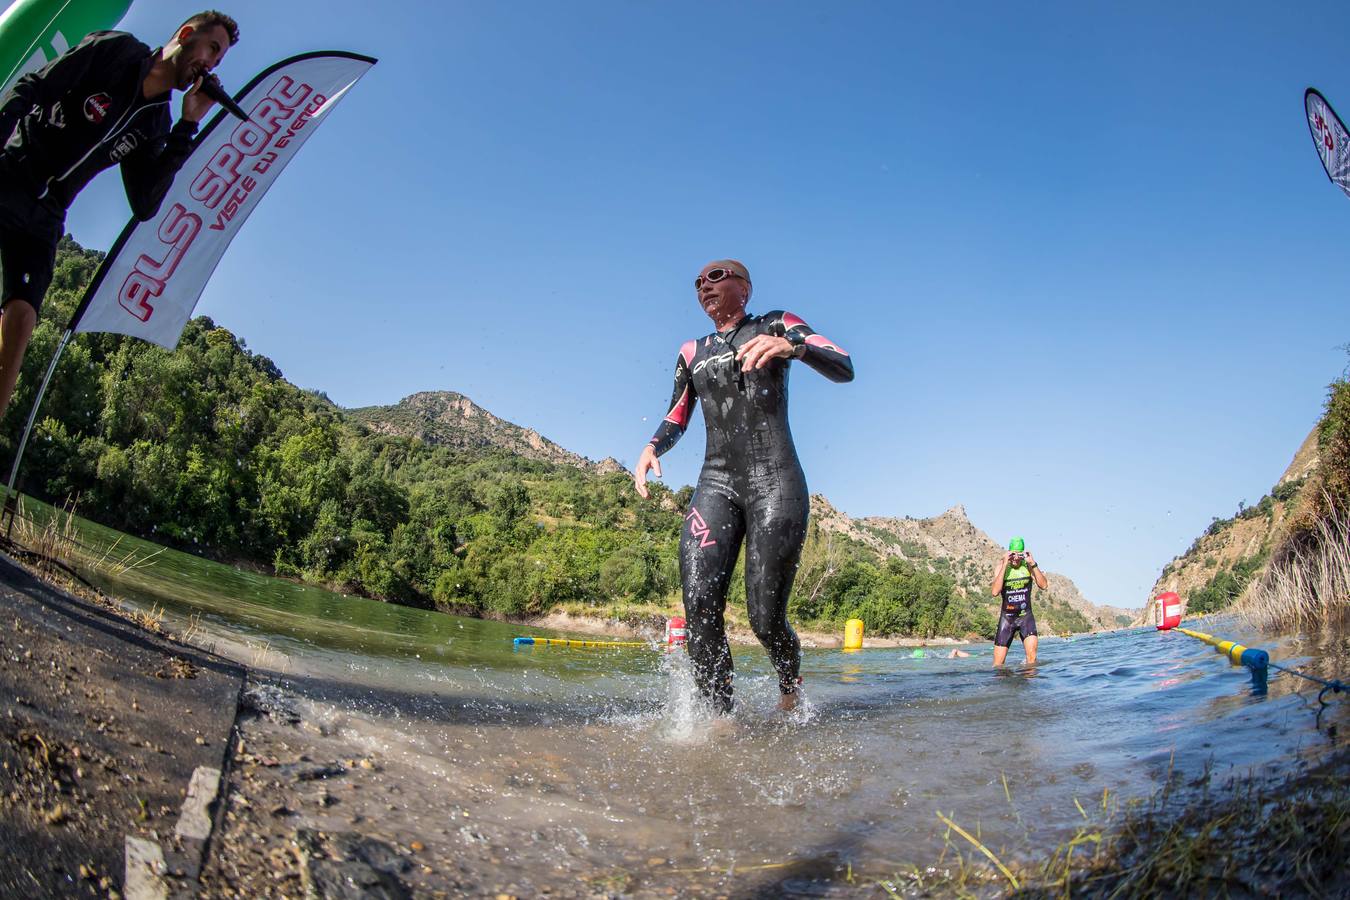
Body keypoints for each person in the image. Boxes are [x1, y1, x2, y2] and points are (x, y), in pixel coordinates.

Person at [633, 259, 853, 713]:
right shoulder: (691, 351)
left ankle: (790, 688)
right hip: (716, 483)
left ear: (744, 287)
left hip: (775, 481)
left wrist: (792, 347)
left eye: (716, 277)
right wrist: (652, 446)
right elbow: (677, 413)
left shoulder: (776, 324)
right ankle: (719, 717)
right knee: (699, 603)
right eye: (698, 282)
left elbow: (843, 365)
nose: (704, 286)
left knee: (764, 617)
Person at [0, 10, 238, 421]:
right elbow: (33, 87)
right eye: (212, 49)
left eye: (219, 61)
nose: (211, 65)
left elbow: (145, 204)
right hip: (14, 173)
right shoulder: (116, 50)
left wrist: (186, 126)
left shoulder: (157, 121)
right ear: (186, 34)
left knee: (21, 319)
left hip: (48, 214)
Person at [990, 536, 1048, 665]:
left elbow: (1044, 585)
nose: (1016, 558)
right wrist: (1005, 564)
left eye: (1019, 554)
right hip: (1007, 619)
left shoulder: (1028, 566)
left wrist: (1033, 564)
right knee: (998, 665)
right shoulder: (1001, 567)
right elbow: (994, 592)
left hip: (1025, 617)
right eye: (1013, 554)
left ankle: (1028, 676)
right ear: (1009, 553)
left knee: (1032, 660)